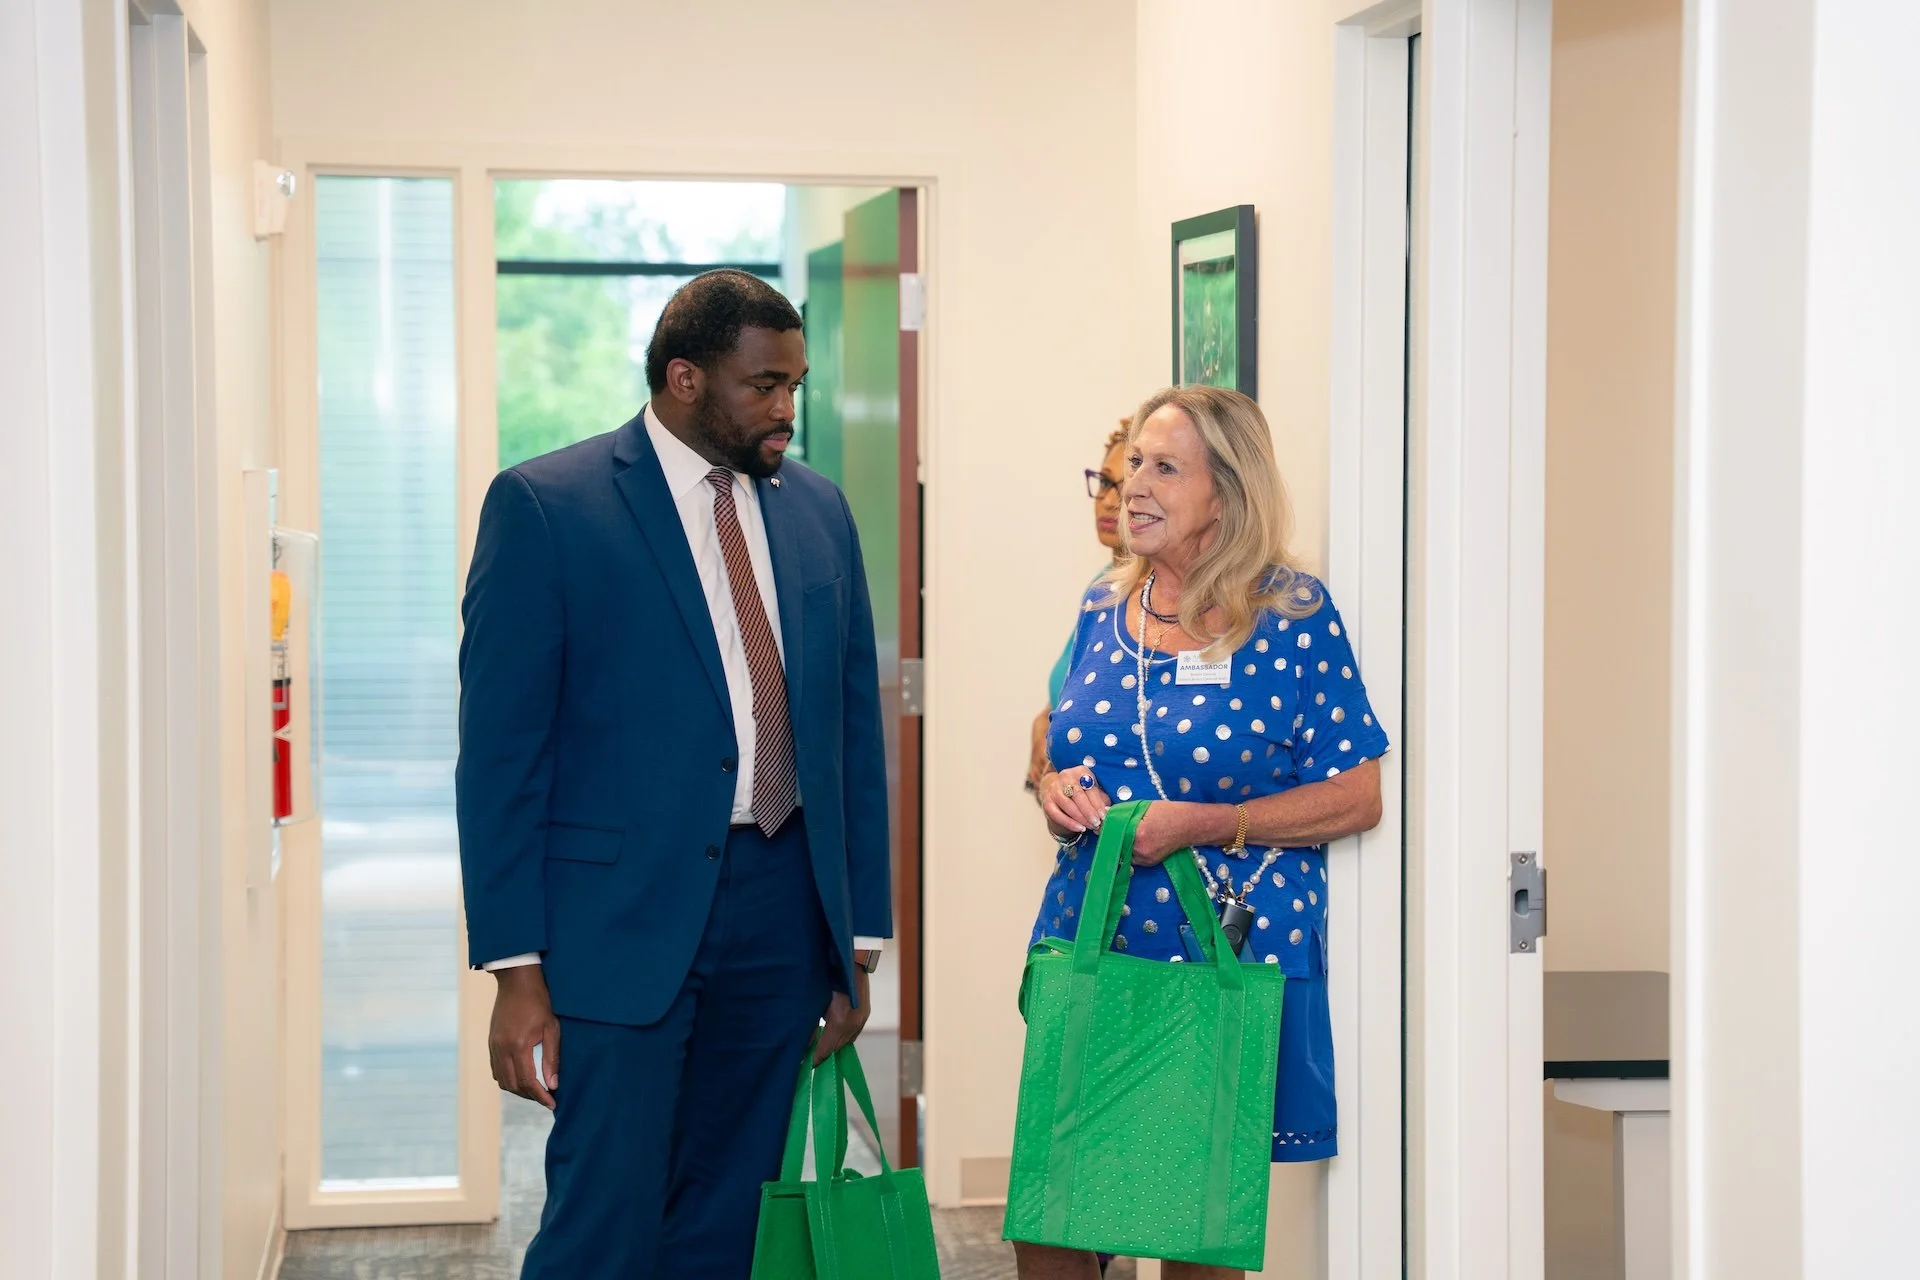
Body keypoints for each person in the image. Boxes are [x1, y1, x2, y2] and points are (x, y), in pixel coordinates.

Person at [455, 269, 892, 1279]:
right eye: (764, 384)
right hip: (618, 922)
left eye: (796, 384)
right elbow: (502, 759)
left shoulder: (820, 511)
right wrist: (516, 970)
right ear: (685, 378)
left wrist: (857, 943)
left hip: (782, 912)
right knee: (603, 1221)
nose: (787, 408)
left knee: (730, 1218)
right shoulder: (548, 506)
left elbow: (849, 740)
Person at [1016, 386, 1390, 1280]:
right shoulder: (1102, 604)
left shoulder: (1292, 615)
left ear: (1226, 491)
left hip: (1220, 954)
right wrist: (1055, 788)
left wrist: (1210, 825)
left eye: (1164, 468)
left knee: (1195, 1225)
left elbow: (1357, 795)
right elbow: (1060, 742)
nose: (1134, 487)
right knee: (1052, 1215)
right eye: (1132, 466)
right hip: (1095, 944)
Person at [1026, 420, 1132, 796]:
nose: (1109, 501)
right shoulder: (1102, 586)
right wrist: (1046, 716)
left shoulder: (1154, 600)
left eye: (1125, 488)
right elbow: (1080, 683)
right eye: (1105, 483)